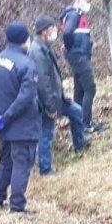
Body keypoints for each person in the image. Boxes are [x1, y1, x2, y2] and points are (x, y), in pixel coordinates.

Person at [0, 23, 41, 213]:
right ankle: (17, 206)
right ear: (25, 40)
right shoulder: (27, 64)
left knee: (5, 162)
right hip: (22, 125)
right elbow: (25, 97)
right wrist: (6, 117)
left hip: (3, 126)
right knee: (21, 165)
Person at [30, 14, 89, 175]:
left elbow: (53, 77)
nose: (55, 31)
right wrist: (50, 107)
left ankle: (79, 144)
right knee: (46, 134)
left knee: (76, 111)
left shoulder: (45, 47)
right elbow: (43, 82)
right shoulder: (37, 51)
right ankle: (45, 168)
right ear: (43, 31)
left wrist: (62, 96)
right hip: (46, 102)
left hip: (57, 98)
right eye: (52, 29)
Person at [60, 0, 104, 133]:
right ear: (78, 2)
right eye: (86, 1)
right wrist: (70, 47)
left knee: (79, 90)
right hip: (79, 56)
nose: (88, 5)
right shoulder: (74, 14)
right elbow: (67, 33)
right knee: (90, 88)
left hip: (79, 55)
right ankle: (86, 123)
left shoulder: (76, 15)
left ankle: (79, 122)